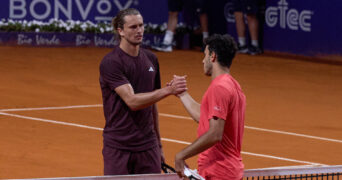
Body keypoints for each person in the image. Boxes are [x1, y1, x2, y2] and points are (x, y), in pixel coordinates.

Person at [99, 8, 187, 175]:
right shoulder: (111, 63)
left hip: (148, 147)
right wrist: (169, 90)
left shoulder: (151, 59)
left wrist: (158, 145)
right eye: (133, 27)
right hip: (118, 147)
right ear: (121, 31)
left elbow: (151, 104)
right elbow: (132, 101)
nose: (139, 31)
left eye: (141, 26)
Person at [172, 34, 246, 179]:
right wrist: (183, 94)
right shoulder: (232, 85)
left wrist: (181, 155)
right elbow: (204, 117)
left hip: (219, 172)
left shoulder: (219, 88)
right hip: (225, 171)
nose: (203, 60)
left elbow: (215, 134)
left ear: (213, 56)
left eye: (205, 55)